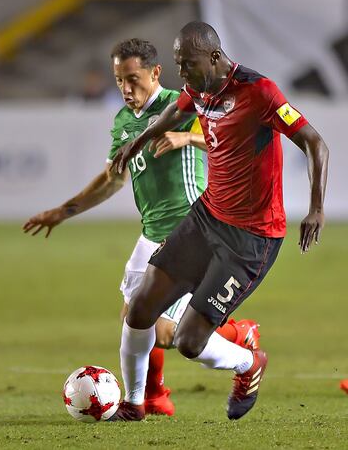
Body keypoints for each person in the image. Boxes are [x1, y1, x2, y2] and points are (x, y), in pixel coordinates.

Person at [23, 38, 261, 417]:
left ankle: (240, 339)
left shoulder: (181, 105)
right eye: (119, 80)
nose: (126, 89)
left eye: (133, 79)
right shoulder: (122, 121)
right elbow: (112, 180)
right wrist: (62, 211)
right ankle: (145, 401)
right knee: (134, 319)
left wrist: (187, 136)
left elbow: (233, 140)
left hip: (192, 231)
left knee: (166, 334)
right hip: (151, 234)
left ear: (155, 73)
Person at [110, 21, 329, 422]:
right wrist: (137, 141)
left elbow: (315, 142)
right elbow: (176, 112)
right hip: (206, 217)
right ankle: (134, 402)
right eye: (178, 64)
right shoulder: (199, 87)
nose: (183, 75)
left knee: (190, 342)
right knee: (140, 308)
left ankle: (249, 363)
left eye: (188, 64)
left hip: (250, 239)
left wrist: (315, 207)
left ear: (213, 57)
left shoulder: (259, 92)